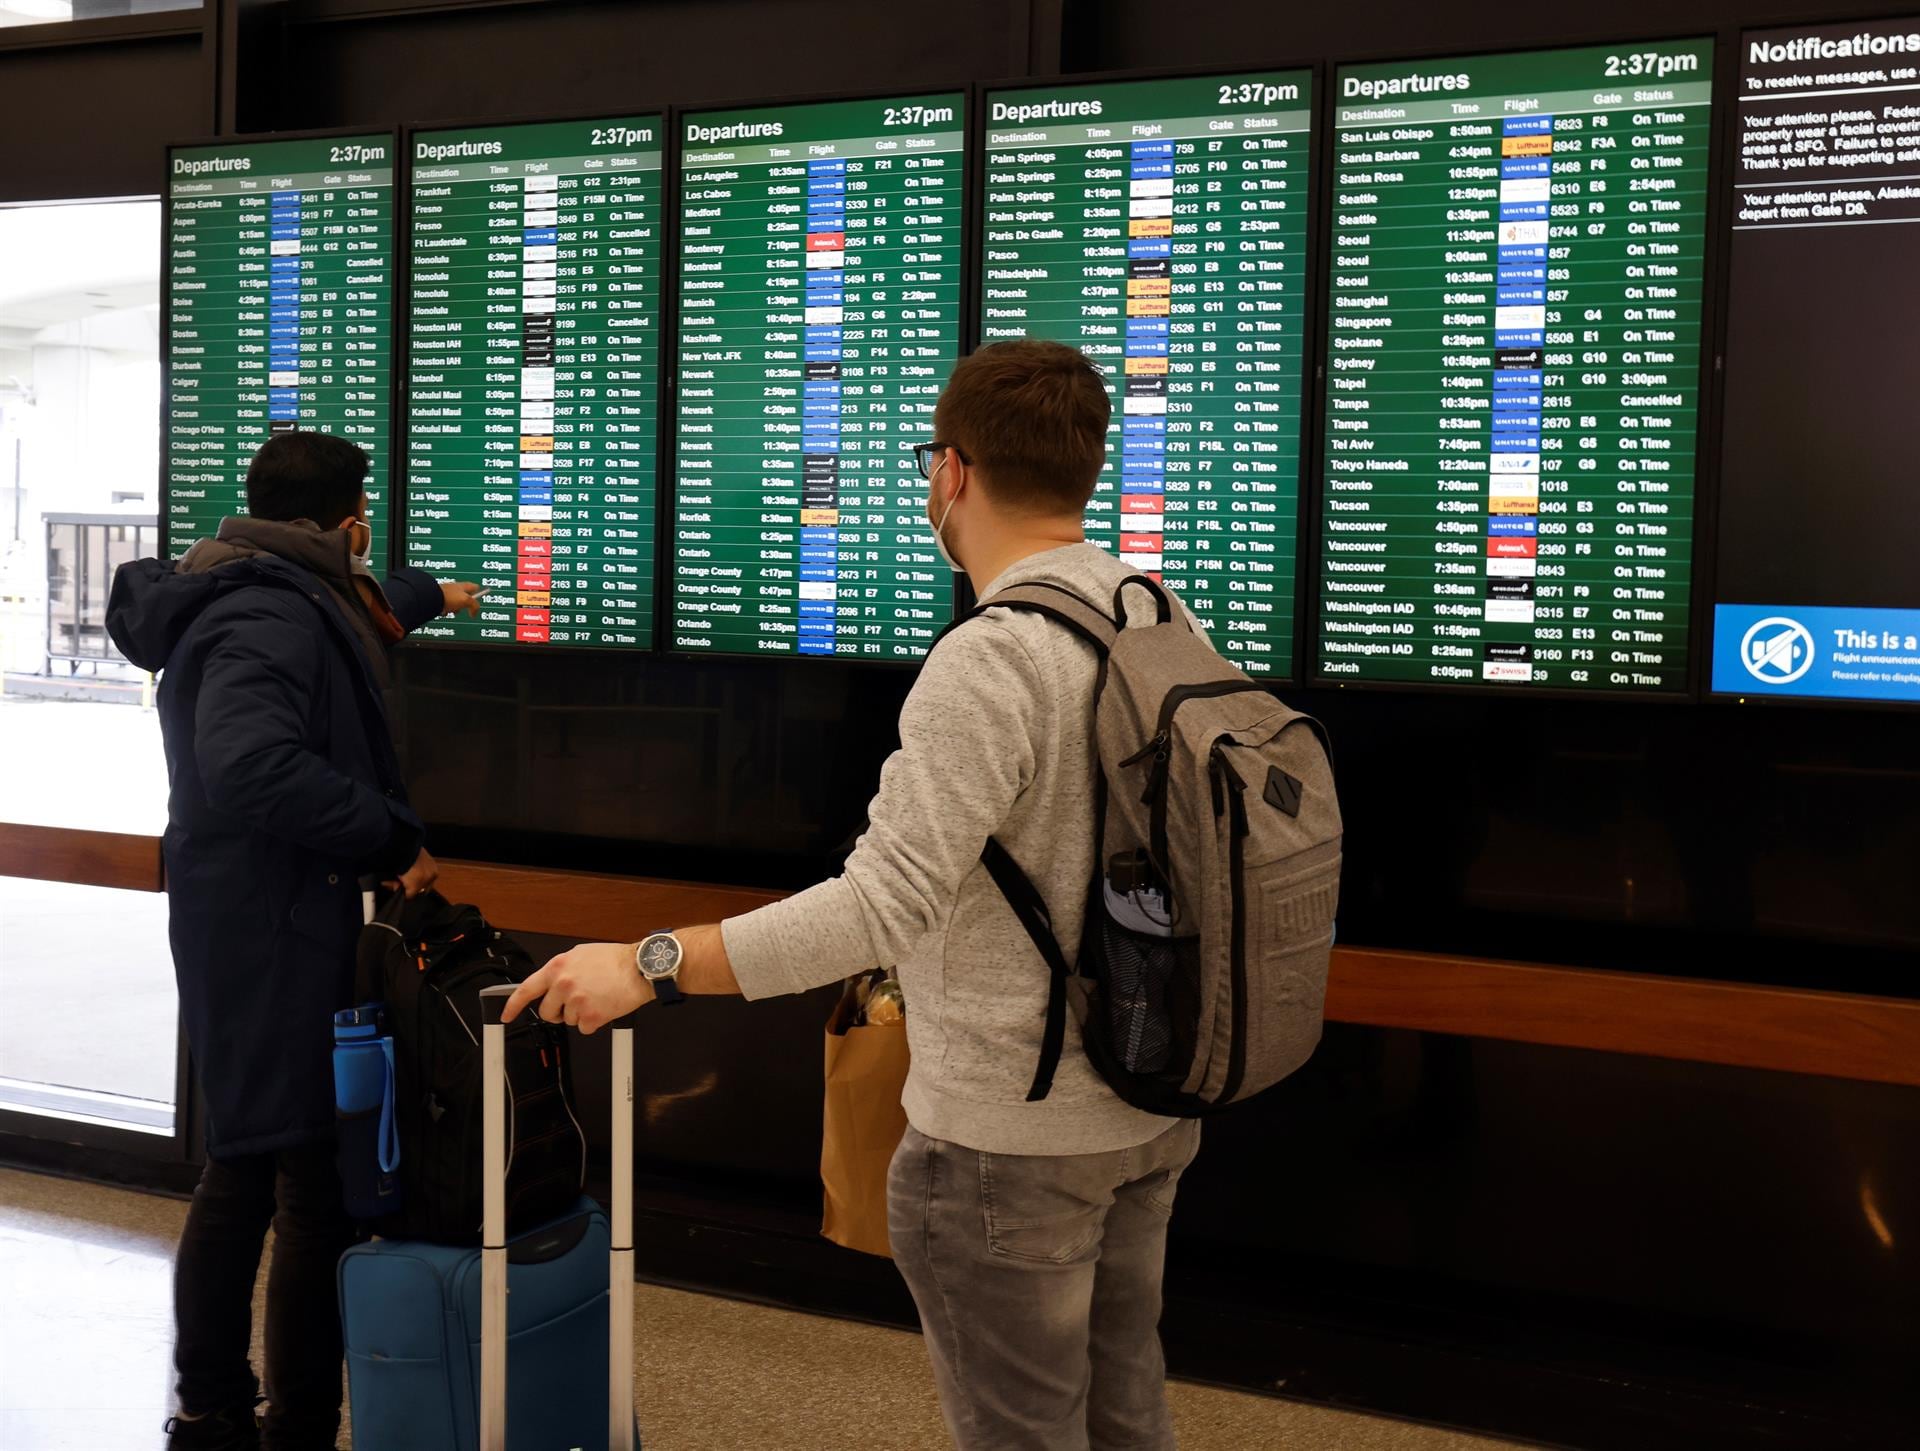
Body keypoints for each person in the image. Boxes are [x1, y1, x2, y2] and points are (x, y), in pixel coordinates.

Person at [505, 339, 1205, 1451]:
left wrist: (649, 964)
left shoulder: (993, 657)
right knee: (1126, 1417)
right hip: (1148, 1102)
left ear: (952, 473)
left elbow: (877, 906)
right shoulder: (1157, 611)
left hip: (1008, 1141)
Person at [107, 431, 482, 1451]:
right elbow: (248, 761)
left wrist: (429, 594)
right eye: (364, 522)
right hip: (275, 931)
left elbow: (352, 614)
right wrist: (389, 834)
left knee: (243, 1164)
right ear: (342, 521)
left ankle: (212, 1406)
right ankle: (293, 1424)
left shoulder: (255, 584)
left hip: (252, 921)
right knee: (303, 1185)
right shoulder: (268, 613)